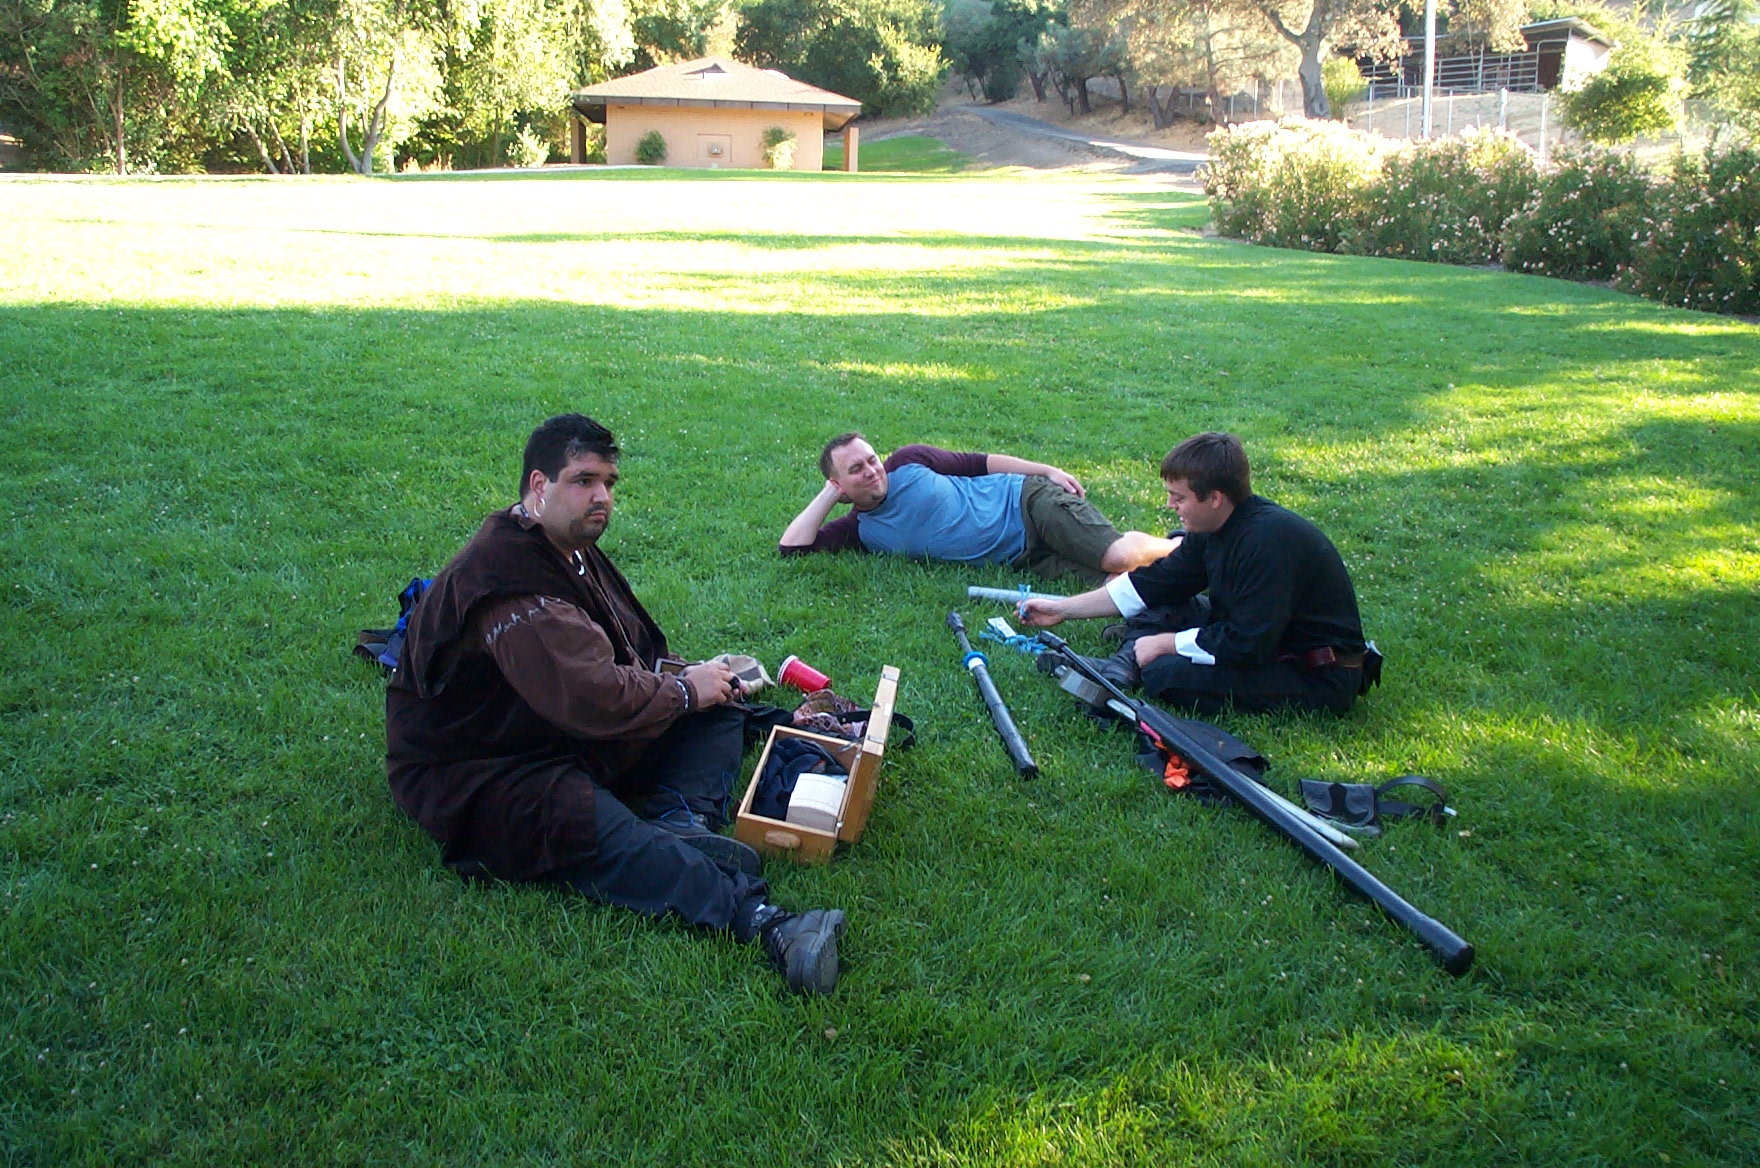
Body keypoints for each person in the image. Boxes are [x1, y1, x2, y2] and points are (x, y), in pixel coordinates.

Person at [386, 414, 846, 994]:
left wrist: (709, 691)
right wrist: (683, 690)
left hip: (547, 729)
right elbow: (592, 696)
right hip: (480, 768)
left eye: (608, 482)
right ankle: (764, 921)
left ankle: (681, 820)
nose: (601, 496)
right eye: (583, 481)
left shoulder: (563, 545)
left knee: (714, 702)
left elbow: (633, 657)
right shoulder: (509, 579)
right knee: (588, 823)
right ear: (538, 485)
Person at [1019, 431, 1375, 716]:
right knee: (1159, 607)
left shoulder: (1268, 543)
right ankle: (1122, 667)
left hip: (1315, 672)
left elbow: (1247, 643)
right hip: (1255, 635)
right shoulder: (1212, 529)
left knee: (1166, 674)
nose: (1170, 505)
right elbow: (1154, 584)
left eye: (1179, 498)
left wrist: (1166, 644)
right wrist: (1063, 609)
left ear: (1215, 498)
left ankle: (1131, 666)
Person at [778, 433, 1181, 585]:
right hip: (1024, 558)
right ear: (838, 484)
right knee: (1117, 587)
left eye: (871, 459)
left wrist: (1046, 471)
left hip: (1027, 504)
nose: (871, 470)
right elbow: (792, 550)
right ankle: (1196, 583)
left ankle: (1183, 546)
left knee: (1118, 556)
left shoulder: (908, 461)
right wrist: (828, 495)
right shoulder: (859, 531)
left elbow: (980, 462)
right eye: (855, 470)